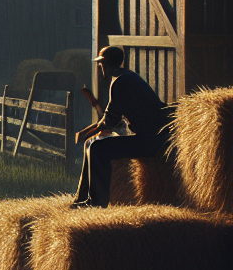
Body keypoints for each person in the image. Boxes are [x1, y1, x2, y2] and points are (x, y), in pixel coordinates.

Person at [73, 46, 172, 208]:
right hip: (152, 137)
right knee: (91, 144)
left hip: (150, 141)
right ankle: (82, 197)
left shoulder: (120, 83)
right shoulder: (129, 77)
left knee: (97, 148)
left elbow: (107, 123)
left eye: (100, 64)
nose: (100, 68)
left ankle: (97, 202)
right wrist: (88, 134)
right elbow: (114, 118)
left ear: (104, 63)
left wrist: (84, 133)